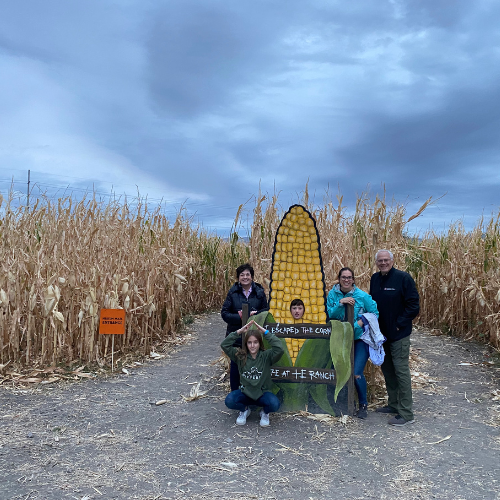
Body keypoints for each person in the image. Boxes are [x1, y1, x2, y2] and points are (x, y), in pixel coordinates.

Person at [370, 250, 420, 426]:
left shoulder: (403, 278)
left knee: (401, 371)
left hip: (399, 334)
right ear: (376, 262)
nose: (383, 263)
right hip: (381, 336)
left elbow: (413, 305)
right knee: (388, 370)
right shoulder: (375, 279)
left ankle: (406, 413)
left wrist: (400, 323)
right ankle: (393, 404)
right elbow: (372, 304)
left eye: (386, 260)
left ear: (392, 261)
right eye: (380, 260)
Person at [327, 267, 379, 419]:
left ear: (353, 279)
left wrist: (361, 322)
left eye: (349, 277)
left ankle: (363, 404)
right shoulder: (332, 294)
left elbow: (374, 313)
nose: (346, 280)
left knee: (356, 373)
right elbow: (330, 314)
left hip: (359, 339)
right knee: (339, 371)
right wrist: (340, 303)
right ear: (339, 279)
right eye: (344, 277)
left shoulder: (362, 296)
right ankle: (343, 402)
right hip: (339, 339)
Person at [221, 320, 284, 427]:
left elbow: (279, 348)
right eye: (249, 343)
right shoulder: (240, 356)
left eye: (255, 342)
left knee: (274, 404)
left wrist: (265, 332)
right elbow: (224, 345)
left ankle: (264, 413)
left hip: (262, 394)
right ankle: (245, 410)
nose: (252, 345)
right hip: (245, 393)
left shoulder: (266, 356)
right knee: (230, 400)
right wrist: (239, 332)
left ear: (260, 343)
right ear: (246, 344)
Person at [221, 263, 269, 391]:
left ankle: (253, 393)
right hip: (237, 335)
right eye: (242, 275)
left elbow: (266, 310)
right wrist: (239, 317)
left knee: (254, 364)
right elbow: (224, 314)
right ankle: (236, 393)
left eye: (248, 274)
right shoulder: (233, 292)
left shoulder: (259, 292)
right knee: (237, 364)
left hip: (254, 336)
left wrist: (256, 314)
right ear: (238, 278)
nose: (245, 277)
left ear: (252, 277)